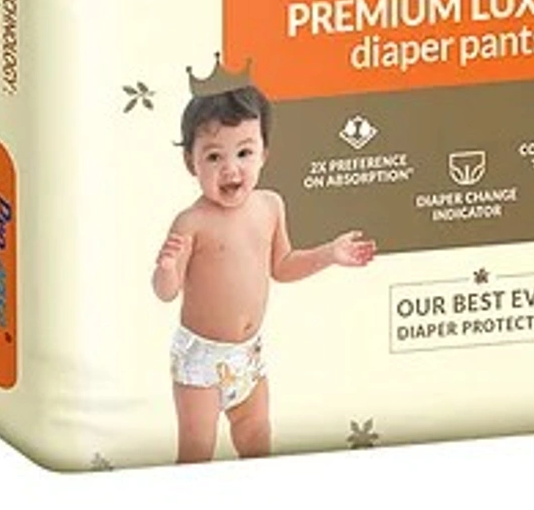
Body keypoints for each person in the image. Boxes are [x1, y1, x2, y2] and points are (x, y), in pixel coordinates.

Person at [153, 84, 375, 462]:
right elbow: (166, 292)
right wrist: (167, 270)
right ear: (191, 162)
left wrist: (329, 254)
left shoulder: (271, 206)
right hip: (202, 358)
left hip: (249, 353)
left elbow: (283, 266)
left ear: (264, 153)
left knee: (257, 434)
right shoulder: (192, 222)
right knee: (196, 448)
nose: (230, 168)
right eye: (214, 156)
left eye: (244, 152)